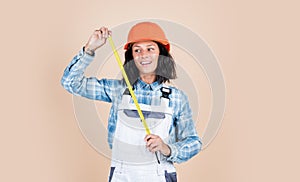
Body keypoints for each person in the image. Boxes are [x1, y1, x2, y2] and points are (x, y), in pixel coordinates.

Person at [61, 22, 201, 182]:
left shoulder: (177, 98)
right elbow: (70, 83)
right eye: (137, 50)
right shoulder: (118, 90)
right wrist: (89, 49)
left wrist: (166, 148)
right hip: (122, 176)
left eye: (150, 49)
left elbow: (194, 142)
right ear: (131, 57)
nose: (144, 55)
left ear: (161, 54)